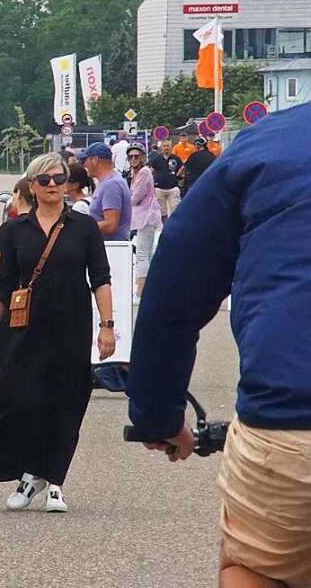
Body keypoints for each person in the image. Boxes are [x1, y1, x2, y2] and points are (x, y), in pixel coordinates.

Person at [127, 104, 311, 588]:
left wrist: (158, 416)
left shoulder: (267, 144)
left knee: (254, 568)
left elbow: (171, 298)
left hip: (292, 417)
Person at [0, 152, 115, 514]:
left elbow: (100, 278)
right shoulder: (13, 231)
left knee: (65, 401)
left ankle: (54, 481)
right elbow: (2, 287)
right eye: (45, 180)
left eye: (59, 178)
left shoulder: (83, 227)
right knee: (21, 400)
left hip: (70, 326)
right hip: (23, 329)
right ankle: (29, 473)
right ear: (32, 186)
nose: (53, 185)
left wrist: (107, 327)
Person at [77, 143, 132, 241]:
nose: (84, 165)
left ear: (95, 160)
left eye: (85, 160)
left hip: (112, 248)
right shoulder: (109, 182)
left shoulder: (111, 185)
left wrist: (81, 226)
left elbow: (111, 225)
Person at [126, 144, 161, 298]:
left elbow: (136, 196)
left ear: (143, 158)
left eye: (136, 156)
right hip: (143, 216)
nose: (133, 159)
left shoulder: (144, 172)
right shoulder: (135, 173)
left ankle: (141, 288)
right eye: (130, 156)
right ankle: (148, 286)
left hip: (146, 216)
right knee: (146, 253)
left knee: (141, 253)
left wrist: (124, 203)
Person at [148, 140, 183, 221]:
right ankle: (165, 228)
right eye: (164, 146)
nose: (166, 148)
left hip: (173, 188)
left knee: (175, 210)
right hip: (160, 189)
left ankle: (174, 227)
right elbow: (151, 171)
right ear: (161, 148)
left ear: (171, 147)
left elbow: (182, 168)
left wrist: (178, 175)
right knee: (162, 212)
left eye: (168, 146)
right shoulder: (157, 159)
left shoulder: (176, 158)